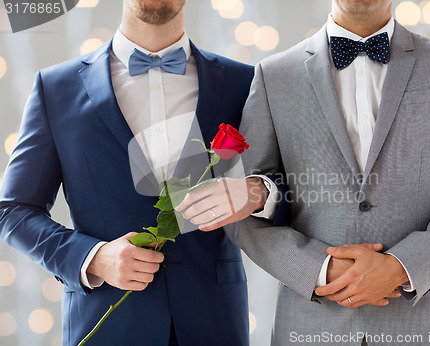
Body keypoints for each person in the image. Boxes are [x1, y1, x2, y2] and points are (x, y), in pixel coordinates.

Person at [180, 0, 430, 345]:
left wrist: (400, 266)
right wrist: (319, 269)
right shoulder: (274, 75)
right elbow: (243, 208)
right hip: (310, 325)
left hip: (429, 324)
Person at [0, 0, 270, 345]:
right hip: (107, 326)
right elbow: (13, 211)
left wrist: (259, 193)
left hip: (214, 324)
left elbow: (284, 185)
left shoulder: (244, 82)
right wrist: (93, 258)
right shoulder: (54, 89)